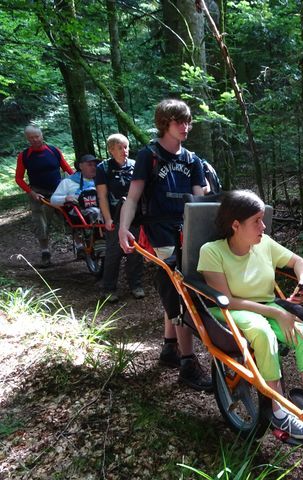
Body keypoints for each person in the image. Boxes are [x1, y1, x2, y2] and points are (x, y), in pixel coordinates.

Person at [197, 190, 303, 440]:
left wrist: (302, 282)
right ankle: (278, 412)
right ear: (236, 225)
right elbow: (227, 299)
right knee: (263, 333)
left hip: (265, 306)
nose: (263, 225)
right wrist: (275, 313)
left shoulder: (264, 244)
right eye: (256, 221)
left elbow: (299, 262)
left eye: (262, 219)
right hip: (229, 310)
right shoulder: (212, 251)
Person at [118, 98, 212, 391]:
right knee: (179, 289)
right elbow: (133, 197)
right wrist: (123, 229)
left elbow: (200, 202)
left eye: (187, 122)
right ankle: (187, 362)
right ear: (165, 124)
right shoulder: (149, 156)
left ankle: (170, 347)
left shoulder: (192, 159)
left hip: (188, 229)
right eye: (178, 122)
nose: (185, 127)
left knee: (178, 287)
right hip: (158, 231)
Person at [14, 125, 74, 267]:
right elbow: (19, 178)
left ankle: (80, 247)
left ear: (42, 135)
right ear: (27, 139)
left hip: (58, 191)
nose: (34, 140)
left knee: (71, 216)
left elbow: (67, 169)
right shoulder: (24, 156)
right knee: (40, 222)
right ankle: (45, 252)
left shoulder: (53, 151)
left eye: (37, 136)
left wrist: (77, 183)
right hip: (37, 192)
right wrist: (31, 192)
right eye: (31, 138)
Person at [95, 134, 145, 303]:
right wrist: (107, 219)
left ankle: (136, 285)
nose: (125, 151)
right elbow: (102, 196)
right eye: (120, 148)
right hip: (115, 218)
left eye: (126, 147)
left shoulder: (135, 166)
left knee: (135, 252)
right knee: (113, 254)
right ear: (111, 150)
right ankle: (109, 289)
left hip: (135, 217)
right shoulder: (103, 168)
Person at [50, 153, 102, 257]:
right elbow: (53, 200)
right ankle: (98, 243)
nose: (93, 167)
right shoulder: (68, 182)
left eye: (95, 165)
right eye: (89, 164)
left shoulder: (101, 180)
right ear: (81, 166)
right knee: (97, 212)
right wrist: (65, 198)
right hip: (78, 212)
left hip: (101, 209)